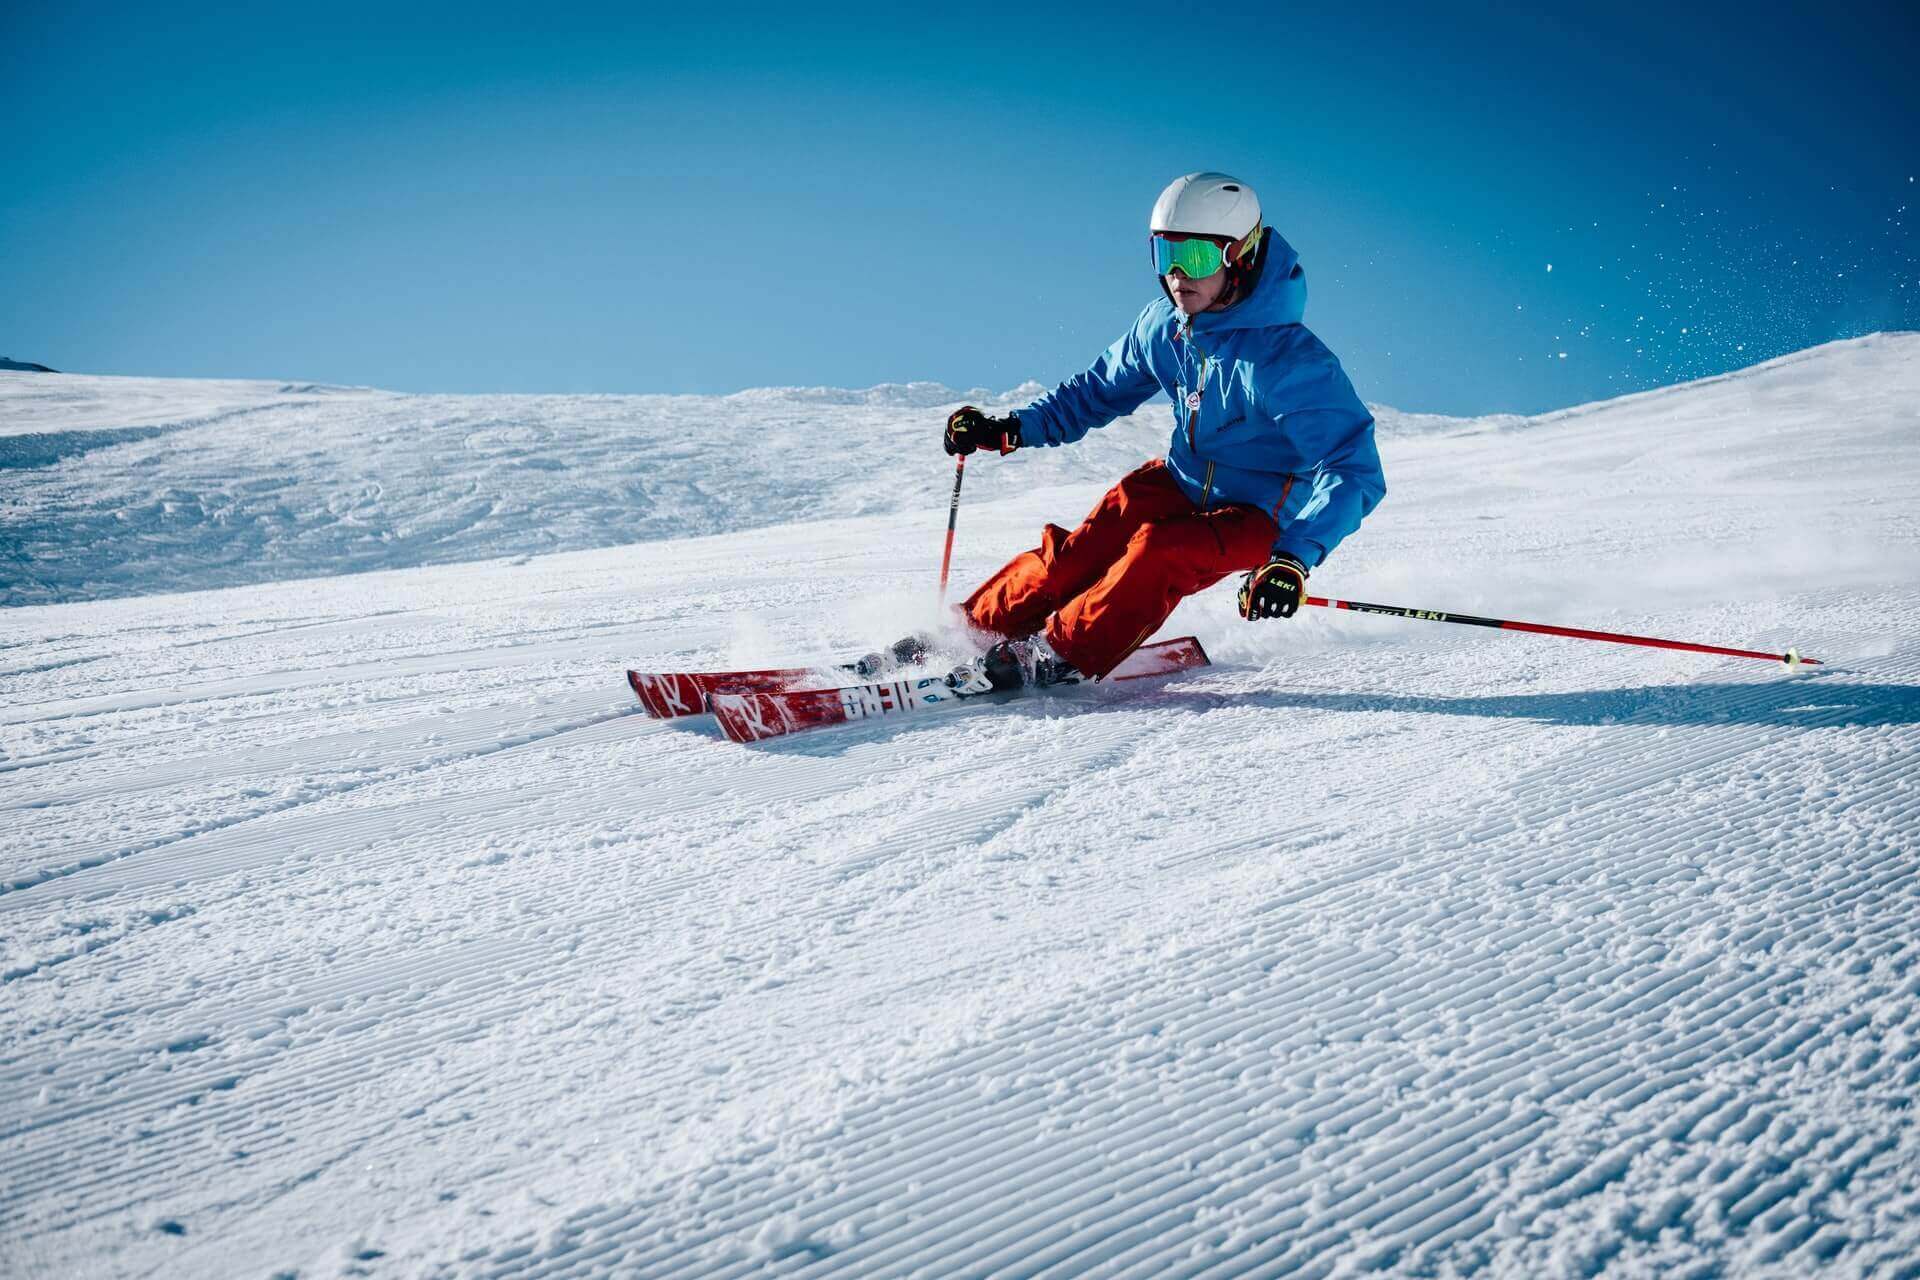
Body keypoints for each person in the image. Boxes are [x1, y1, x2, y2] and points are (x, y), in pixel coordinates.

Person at [943, 171, 1386, 689]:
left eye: (1195, 257)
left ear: (1239, 255)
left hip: (1261, 514)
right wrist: (1009, 428)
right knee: (1079, 553)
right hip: (1180, 479)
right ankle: (967, 632)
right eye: (1164, 255)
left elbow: (1352, 469)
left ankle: (1056, 654)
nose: (1177, 275)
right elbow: (1094, 392)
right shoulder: (1164, 325)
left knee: (1162, 549)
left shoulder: (1289, 362)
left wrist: (1293, 558)